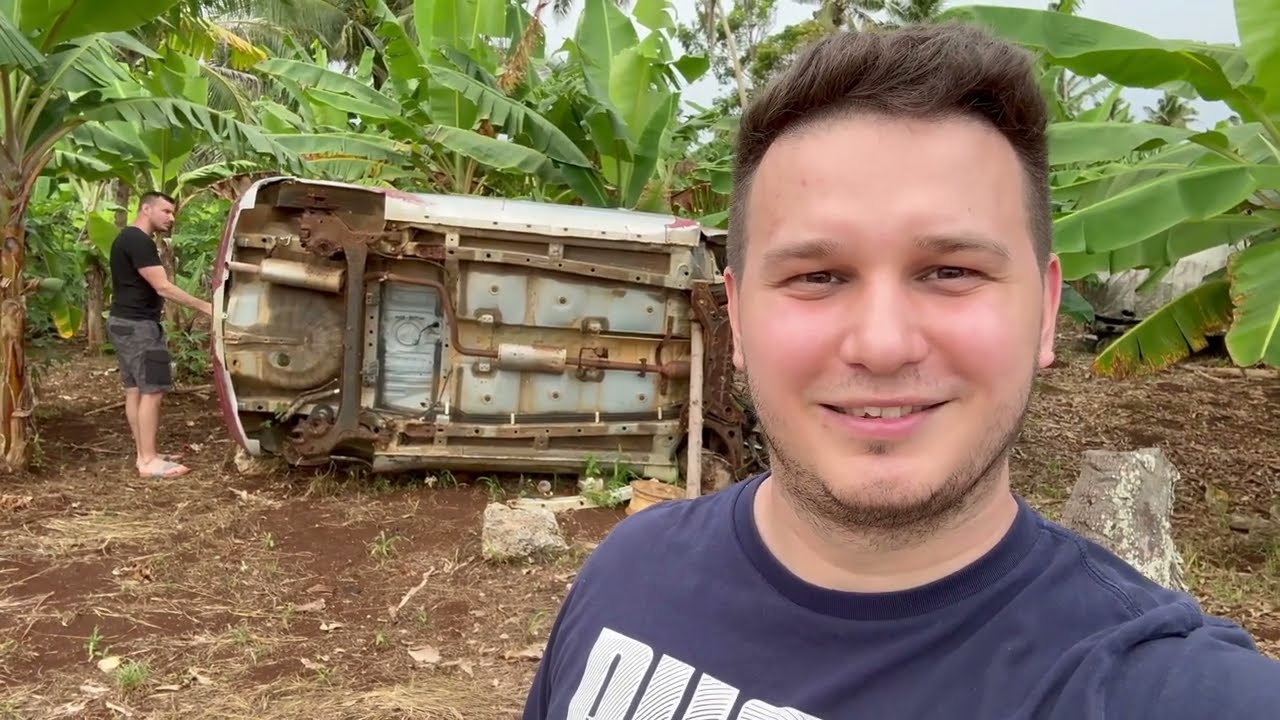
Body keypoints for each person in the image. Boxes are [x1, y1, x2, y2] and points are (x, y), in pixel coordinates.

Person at [521, 23, 1280, 720]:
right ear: (738, 316)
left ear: (1046, 311)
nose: (883, 346)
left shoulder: (1156, 690)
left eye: (950, 270)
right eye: (817, 276)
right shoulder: (628, 575)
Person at [106, 191, 213, 479]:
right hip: (139, 327)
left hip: (122, 323)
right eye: (165, 211)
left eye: (172, 212)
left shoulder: (125, 238)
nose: (171, 217)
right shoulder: (139, 241)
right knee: (152, 390)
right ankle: (148, 460)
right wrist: (206, 307)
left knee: (135, 390)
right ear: (146, 209)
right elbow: (163, 286)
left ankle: (144, 453)